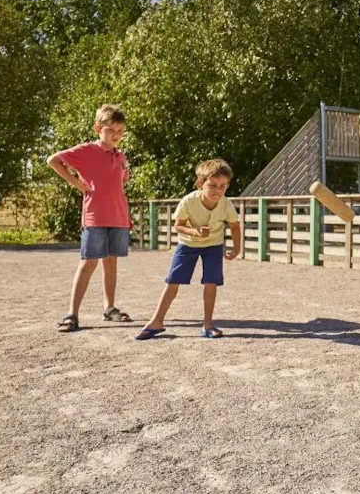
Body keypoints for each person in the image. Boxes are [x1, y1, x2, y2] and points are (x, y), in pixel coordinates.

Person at [47, 105, 133, 333]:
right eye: (111, 129)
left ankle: (109, 308)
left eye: (120, 130)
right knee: (88, 263)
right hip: (95, 217)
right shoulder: (86, 150)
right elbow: (53, 160)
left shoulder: (121, 156)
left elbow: (121, 181)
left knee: (111, 262)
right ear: (98, 128)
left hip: (119, 217)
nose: (116, 134)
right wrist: (78, 184)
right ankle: (72, 315)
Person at [135, 159, 241, 340]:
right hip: (187, 244)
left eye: (223, 186)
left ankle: (208, 325)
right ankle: (156, 321)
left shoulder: (226, 203)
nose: (218, 190)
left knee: (211, 282)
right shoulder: (188, 201)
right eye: (213, 185)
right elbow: (178, 226)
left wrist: (236, 248)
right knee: (172, 281)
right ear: (200, 184)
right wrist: (196, 232)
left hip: (214, 245)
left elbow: (234, 225)